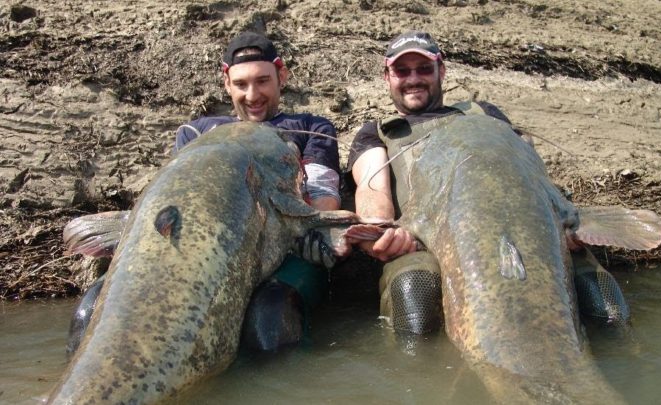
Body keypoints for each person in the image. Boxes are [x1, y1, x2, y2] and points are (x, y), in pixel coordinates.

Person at [347, 31, 629, 335]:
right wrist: (381, 234)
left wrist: (558, 216)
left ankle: (627, 356)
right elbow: (371, 185)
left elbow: (529, 169)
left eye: (424, 69)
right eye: (403, 71)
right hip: (425, 242)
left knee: (605, 308)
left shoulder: (485, 113)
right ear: (387, 77)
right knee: (413, 294)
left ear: (441, 71)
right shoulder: (378, 132)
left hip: (524, 231)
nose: (414, 78)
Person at [174, 31, 342, 350]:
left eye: (263, 81)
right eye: (241, 84)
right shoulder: (194, 133)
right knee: (92, 310)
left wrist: (315, 224)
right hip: (209, 259)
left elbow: (322, 196)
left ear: (282, 76)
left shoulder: (312, 128)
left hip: (290, 257)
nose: (253, 95)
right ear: (226, 83)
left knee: (268, 317)